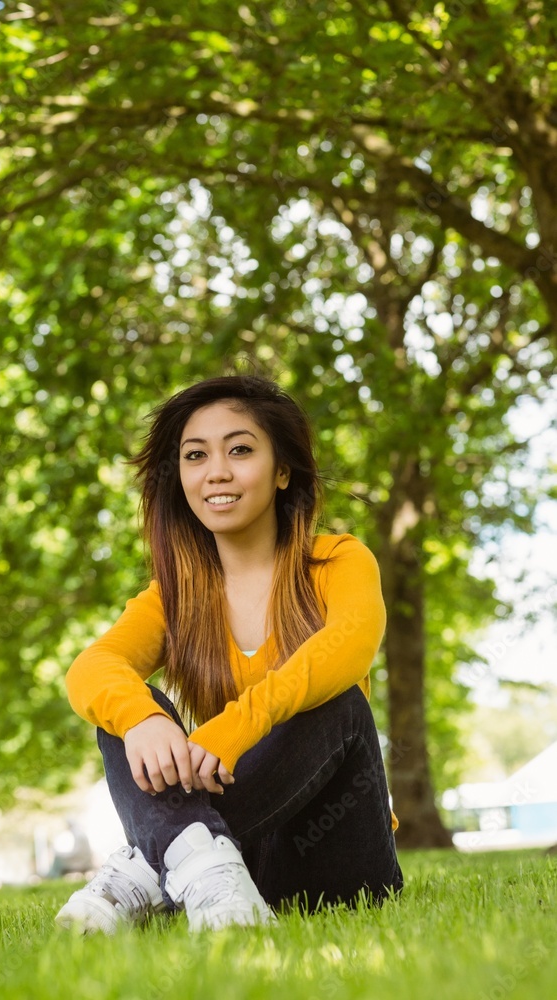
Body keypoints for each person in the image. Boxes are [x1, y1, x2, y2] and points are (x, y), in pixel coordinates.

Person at [55, 373, 402, 935]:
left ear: (282, 471)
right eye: (196, 456)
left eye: (240, 450)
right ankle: (200, 865)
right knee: (124, 708)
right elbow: (91, 668)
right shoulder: (173, 599)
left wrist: (237, 726)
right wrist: (143, 720)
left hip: (340, 858)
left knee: (339, 704)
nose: (217, 471)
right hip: (240, 860)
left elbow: (352, 642)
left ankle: (151, 866)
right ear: (182, 477)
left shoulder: (338, 560)